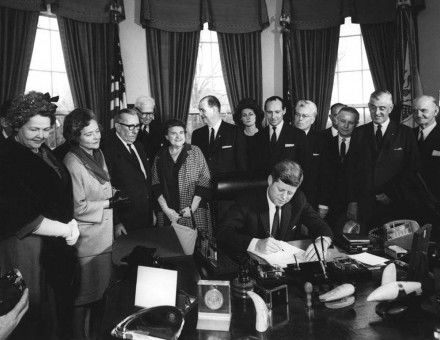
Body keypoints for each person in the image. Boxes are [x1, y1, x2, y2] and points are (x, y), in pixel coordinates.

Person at [0, 91, 79, 339]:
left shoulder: (43, 150)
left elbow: (57, 192)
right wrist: (66, 229)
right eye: (34, 129)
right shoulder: (7, 156)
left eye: (46, 129)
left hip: (54, 248)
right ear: (16, 125)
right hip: (27, 249)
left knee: (55, 313)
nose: (42, 136)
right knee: (32, 314)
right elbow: (20, 215)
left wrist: (70, 220)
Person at [63, 108, 127, 338]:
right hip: (88, 242)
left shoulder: (96, 154)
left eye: (97, 131)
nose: (96, 137)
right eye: (89, 134)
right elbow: (77, 207)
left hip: (103, 238)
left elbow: (99, 189)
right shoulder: (73, 162)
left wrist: (111, 195)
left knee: (99, 296)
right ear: (75, 136)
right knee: (83, 299)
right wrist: (109, 203)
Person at [216, 160, 333, 262]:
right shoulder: (247, 201)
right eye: (281, 190)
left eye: (290, 193)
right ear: (270, 180)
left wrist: (322, 243)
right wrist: (255, 244)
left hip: (286, 265)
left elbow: (321, 226)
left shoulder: (298, 199)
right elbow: (223, 232)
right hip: (252, 264)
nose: (284, 197)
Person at [346, 90, 420, 234]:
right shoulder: (359, 133)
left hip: (395, 203)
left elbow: (412, 169)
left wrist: (391, 193)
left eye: (382, 108)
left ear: (390, 108)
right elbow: (350, 170)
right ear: (369, 106)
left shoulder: (405, 133)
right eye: (373, 107)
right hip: (365, 204)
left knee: (394, 248)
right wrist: (352, 201)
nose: (377, 112)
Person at [152, 119, 212, 236]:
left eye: (181, 132)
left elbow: (205, 179)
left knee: (197, 249)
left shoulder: (195, 151)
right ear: (166, 136)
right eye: (173, 133)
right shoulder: (160, 155)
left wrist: (192, 208)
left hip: (193, 211)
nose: (178, 136)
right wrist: (166, 210)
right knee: (170, 248)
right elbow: (156, 184)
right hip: (168, 213)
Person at [102, 108, 154, 232]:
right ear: (118, 127)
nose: (135, 131)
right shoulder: (107, 150)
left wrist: (151, 210)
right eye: (130, 126)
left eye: (137, 126)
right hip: (125, 221)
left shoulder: (139, 146)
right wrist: (116, 222)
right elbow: (106, 190)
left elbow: (146, 182)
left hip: (145, 216)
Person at [318, 107, 359, 235]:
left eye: (350, 122)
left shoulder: (363, 145)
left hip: (355, 205)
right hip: (331, 205)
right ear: (336, 121)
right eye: (342, 121)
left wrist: (354, 201)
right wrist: (323, 204)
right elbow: (322, 177)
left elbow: (363, 178)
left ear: (356, 124)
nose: (345, 126)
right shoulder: (325, 144)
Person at [191, 95, 247, 177]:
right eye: (199, 111)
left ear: (214, 109)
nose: (200, 114)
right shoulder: (197, 134)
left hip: (228, 186)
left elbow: (242, 165)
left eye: (202, 110)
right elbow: (194, 165)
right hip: (204, 187)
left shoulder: (235, 132)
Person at [255, 96, 310, 177]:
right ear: (265, 112)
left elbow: (305, 166)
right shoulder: (258, 136)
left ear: (284, 111)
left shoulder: (298, 135)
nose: (273, 116)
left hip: (289, 186)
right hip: (265, 185)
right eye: (269, 112)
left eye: (277, 112)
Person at [412, 95, 440, 239]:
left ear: (436, 111)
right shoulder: (408, 135)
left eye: (423, 110)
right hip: (412, 203)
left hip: (436, 203)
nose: (418, 115)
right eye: (415, 110)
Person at [293, 99, 323, 208]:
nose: (300, 119)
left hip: (312, 198)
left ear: (313, 119)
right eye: (297, 114)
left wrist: (323, 202)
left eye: (304, 116)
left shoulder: (321, 140)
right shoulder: (285, 136)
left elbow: (325, 174)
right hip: (287, 196)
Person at [233, 98, 264, 170]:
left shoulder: (264, 135)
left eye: (251, 114)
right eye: (244, 115)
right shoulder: (236, 137)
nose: (248, 117)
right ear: (240, 118)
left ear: (256, 115)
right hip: (242, 176)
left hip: (261, 176)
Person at [135, 96, 163, 162]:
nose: (148, 117)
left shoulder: (159, 126)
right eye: (144, 114)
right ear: (137, 112)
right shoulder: (131, 127)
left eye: (150, 113)